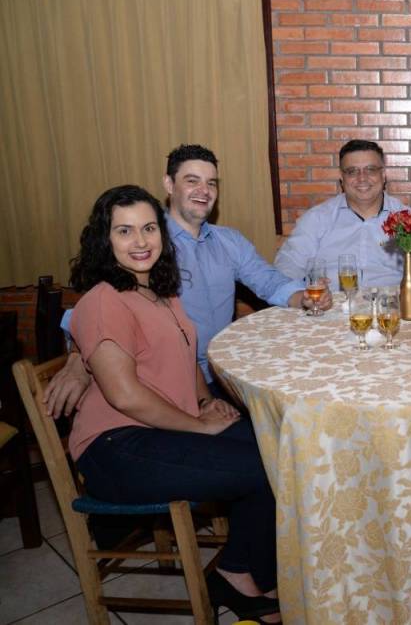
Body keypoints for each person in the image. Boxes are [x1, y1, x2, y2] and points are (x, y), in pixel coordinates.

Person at [67, 185, 280, 622]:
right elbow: (124, 395)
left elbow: (185, 355)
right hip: (116, 447)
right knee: (263, 468)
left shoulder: (161, 290)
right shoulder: (104, 301)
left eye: (148, 228)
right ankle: (239, 575)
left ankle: (250, 568)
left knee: (280, 448)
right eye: (124, 231)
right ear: (104, 240)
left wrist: (203, 400)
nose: (140, 241)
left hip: (164, 427)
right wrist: (198, 424)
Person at [45, 144, 327, 416]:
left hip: (223, 375)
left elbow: (268, 280)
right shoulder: (147, 245)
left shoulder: (229, 241)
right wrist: (77, 362)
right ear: (169, 184)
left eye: (211, 183)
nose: (204, 191)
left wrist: (301, 297)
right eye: (192, 181)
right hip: (167, 384)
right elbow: (95, 310)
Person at [273, 139, 411, 287]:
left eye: (370, 170)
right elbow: (287, 267)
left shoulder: (409, 222)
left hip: (392, 305)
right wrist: (301, 294)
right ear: (342, 178)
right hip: (331, 306)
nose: (362, 178)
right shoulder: (317, 219)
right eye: (352, 171)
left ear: (383, 175)